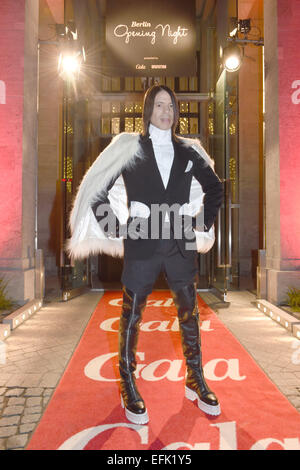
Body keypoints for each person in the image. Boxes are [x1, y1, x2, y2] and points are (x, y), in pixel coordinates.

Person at [68, 85, 224, 425]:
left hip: (180, 241)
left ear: (176, 111)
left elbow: (215, 187)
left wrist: (200, 223)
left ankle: (195, 378)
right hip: (142, 242)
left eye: (171, 105)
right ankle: (128, 383)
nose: (166, 111)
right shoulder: (131, 148)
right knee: (132, 312)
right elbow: (97, 189)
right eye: (159, 105)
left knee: (189, 314)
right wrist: (115, 227)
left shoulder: (189, 151)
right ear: (148, 110)